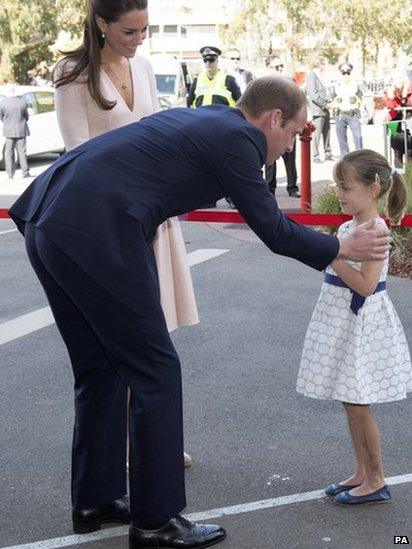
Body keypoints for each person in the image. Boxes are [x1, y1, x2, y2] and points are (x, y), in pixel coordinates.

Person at [9, 76, 390, 548]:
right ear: (273, 119)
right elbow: (271, 227)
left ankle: (98, 499)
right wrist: (339, 244)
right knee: (156, 371)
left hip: (50, 219)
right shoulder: (240, 139)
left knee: (101, 369)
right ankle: (155, 521)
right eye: (294, 133)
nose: (291, 145)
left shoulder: (210, 121)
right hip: (94, 229)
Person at [53, 0, 198, 473]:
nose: (139, 40)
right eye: (129, 32)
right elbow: (77, 155)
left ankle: (151, 437)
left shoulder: (147, 64)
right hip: (106, 227)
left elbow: (156, 134)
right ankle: (134, 447)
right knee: (124, 340)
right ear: (101, 24)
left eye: (144, 30)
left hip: (153, 218)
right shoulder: (73, 73)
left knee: (150, 336)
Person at [297, 149, 411, 507]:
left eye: (345, 188)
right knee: (350, 401)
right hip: (345, 320)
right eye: (339, 187)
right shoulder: (349, 227)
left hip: (362, 325)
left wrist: (331, 253)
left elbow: (366, 285)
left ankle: (376, 479)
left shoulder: (375, 230)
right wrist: (335, 247)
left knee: (359, 403)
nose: (341, 194)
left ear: (373, 189)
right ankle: (362, 471)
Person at [187, 46, 242, 209]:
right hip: (202, 129)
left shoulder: (228, 79)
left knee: (226, 165)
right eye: (205, 60)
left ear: (217, 60)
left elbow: (240, 103)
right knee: (204, 165)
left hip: (223, 129)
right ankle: (208, 198)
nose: (208, 63)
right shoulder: (198, 80)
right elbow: (190, 103)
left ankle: (232, 197)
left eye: (211, 60)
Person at [264, 57, 300, 198]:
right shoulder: (263, 86)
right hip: (270, 128)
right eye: (276, 67)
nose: (280, 69)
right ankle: (269, 189)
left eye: (281, 66)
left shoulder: (290, 83)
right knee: (269, 160)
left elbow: (297, 104)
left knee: (290, 159)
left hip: (287, 126)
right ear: (268, 68)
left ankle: (292, 187)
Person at [331, 63, 363, 157]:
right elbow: (332, 99)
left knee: (358, 137)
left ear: (351, 73)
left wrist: (360, 109)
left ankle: (360, 157)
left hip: (353, 115)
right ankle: (345, 158)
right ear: (340, 73)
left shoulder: (355, 85)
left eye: (348, 73)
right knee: (342, 139)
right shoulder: (336, 86)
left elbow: (361, 99)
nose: (346, 75)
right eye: (343, 73)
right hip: (340, 115)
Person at [0, 85, 31, 180]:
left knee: (8, 153)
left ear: (8, 92)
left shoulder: (3, 103)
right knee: (22, 152)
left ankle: (10, 173)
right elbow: (26, 116)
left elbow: (1, 116)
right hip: (21, 130)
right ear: (14, 92)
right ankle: (25, 172)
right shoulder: (22, 102)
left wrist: (7, 122)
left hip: (8, 131)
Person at [306, 58, 333, 163]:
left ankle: (328, 152)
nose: (324, 67)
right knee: (316, 133)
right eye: (323, 64)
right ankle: (315, 155)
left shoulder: (320, 76)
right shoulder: (312, 76)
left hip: (325, 108)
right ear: (318, 65)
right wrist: (325, 105)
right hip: (319, 109)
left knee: (327, 131)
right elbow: (314, 95)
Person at [384, 74, 412, 168]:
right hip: (394, 122)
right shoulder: (389, 91)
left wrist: (404, 98)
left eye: (400, 78)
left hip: (408, 121)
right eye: (396, 78)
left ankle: (409, 176)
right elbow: (390, 107)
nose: (398, 81)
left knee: (409, 151)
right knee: (397, 151)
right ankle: (398, 176)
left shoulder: (410, 90)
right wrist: (392, 97)